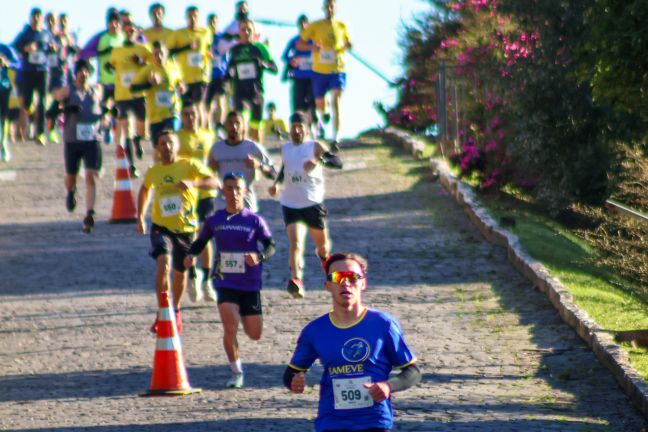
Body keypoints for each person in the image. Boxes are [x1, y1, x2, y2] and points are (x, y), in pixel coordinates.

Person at [284, 252, 421, 432]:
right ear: (328, 285)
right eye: (338, 277)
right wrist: (294, 381)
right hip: (331, 422)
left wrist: (388, 386)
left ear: (363, 283)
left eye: (352, 277)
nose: (345, 283)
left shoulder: (383, 324)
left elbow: (412, 372)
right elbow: (290, 374)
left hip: (374, 422)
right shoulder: (314, 331)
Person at [183, 172, 275, 389]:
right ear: (223, 192)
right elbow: (201, 241)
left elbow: (271, 246)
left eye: (237, 189)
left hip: (250, 283)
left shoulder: (254, 220)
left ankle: (244, 314)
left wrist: (259, 256)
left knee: (254, 333)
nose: (233, 193)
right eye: (229, 188)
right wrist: (190, 255)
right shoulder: (215, 220)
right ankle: (236, 372)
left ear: (244, 191)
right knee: (229, 325)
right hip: (225, 282)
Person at [136, 130, 219, 334]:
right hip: (160, 226)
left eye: (170, 143)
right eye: (163, 143)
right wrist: (140, 216)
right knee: (163, 265)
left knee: (179, 273)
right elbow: (145, 190)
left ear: (177, 146)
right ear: (157, 148)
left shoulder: (189, 165)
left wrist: (194, 183)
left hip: (185, 228)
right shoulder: (153, 171)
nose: (167, 147)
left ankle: (176, 309)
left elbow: (214, 182)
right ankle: (163, 310)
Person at [269, 112, 342, 299]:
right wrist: (277, 184)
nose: (296, 130)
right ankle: (297, 280)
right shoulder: (285, 148)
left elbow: (337, 162)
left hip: (312, 202)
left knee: (323, 247)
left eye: (300, 126)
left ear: (306, 128)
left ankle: (328, 270)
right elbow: (285, 169)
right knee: (296, 244)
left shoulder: (314, 146)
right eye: (293, 126)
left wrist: (319, 160)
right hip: (290, 203)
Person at [53, 59, 105, 233]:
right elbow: (57, 97)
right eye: (81, 72)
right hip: (73, 140)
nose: (84, 75)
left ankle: (90, 212)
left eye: (87, 72)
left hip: (92, 139)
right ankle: (71, 191)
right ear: (76, 74)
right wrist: (66, 105)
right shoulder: (70, 90)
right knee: (71, 177)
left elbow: (104, 105)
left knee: (91, 175)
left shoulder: (96, 90)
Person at [177, 103, 218, 303]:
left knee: (206, 234)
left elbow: (214, 161)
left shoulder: (208, 135)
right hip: (186, 195)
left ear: (199, 115)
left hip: (205, 192)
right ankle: (193, 275)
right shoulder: (177, 138)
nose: (190, 117)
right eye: (186, 114)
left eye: (193, 113)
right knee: (190, 236)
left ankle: (207, 280)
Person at [298, 0, 352, 150]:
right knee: (320, 104)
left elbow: (348, 42)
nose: (330, 8)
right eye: (327, 6)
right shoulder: (315, 26)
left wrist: (349, 44)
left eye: (332, 6)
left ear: (336, 8)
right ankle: (324, 112)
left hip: (338, 69)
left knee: (337, 101)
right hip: (319, 71)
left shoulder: (342, 25)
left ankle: (336, 137)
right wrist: (312, 47)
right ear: (323, 8)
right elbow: (300, 44)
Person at [208, 110, 276, 213]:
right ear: (225, 126)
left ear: (244, 126)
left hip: (246, 202)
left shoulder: (253, 147)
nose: (234, 127)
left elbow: (273, 173)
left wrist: (259, 165)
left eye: (237, 123)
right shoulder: (216, 149)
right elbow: (207, 173)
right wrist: (211, 169)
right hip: (222, 202)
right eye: (230, 123)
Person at [108, 21, 152, 177]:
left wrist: (140, 62)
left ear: (137, 32)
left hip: (139, 95)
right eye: (126, 30)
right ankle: (131, 165)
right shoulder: (116, 51)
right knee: (126, 130)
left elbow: (153, 64)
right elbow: (111, 66)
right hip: (122, 95)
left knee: (141, 128)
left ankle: (138, 141)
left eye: (132, 30)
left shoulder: (143, 49)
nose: (129, 33)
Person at [227, 19, 278, 143]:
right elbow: (228, 70)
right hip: (239, 90)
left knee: (255, 126)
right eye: (243, 30)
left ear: (254, 32)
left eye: (249, 29)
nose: (246, 32)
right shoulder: (234, 50)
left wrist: (263, 64)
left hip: (256, 91)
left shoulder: (260, 48)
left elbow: (275, 68)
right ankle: (241, 150)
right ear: (239, 32)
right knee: (240, 123)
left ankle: (257, 151)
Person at [13, 7, 55, 146]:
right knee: (27, 103)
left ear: (42, 19)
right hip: (28, 71)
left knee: (42, 101)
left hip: (43, 71)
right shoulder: (25, 34)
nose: (36, 19)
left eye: (39, 16)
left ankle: (41, 133)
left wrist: (53, 48)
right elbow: (14, 46)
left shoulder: (46, 33)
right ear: (31, 18)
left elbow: (53, 47)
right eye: (34, 16)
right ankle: (30, 108)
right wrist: (25, 49)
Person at [131, 41, 183, 149]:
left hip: (171, 112)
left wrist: (181, 87)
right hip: (155, 116)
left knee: (171, 141)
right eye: (155, 54)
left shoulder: (174, 67)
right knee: (158, 149)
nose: (159, 57)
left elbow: (180, 83)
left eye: (161, 54)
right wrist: (149, 84)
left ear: (166, 54)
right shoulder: (147, 70)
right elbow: (133, 88)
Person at [167, 6, 211, 127]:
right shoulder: (178, 33)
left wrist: (209, 55)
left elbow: (208, 48)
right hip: (184, 76)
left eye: (195, 16)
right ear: (186, 17)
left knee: (198, 104)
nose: (193, 18)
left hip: (201, 75)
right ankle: (186, 131)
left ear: (199, 17)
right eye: (190, 16)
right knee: (185, 106)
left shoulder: (205, 32)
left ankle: (201, 130)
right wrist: (186, 47)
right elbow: (169, 52)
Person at [281, 15, 318, 136]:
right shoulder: (295, 40)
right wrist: (292, 60)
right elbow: (285, 56)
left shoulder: (315, 40)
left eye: (305, 24)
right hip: (298, 76)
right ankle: (299, 128)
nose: (303, 27)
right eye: (300, 24)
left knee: (313, 102)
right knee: (298, 103)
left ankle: (314, 126)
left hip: (313, 77)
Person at [205, 13, 228, 132]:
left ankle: (220, 125)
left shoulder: (222, 37)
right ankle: (208, 125)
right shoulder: (205, 37)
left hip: (220, 73)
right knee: (207, 103)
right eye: (210, 22)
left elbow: (227, 53)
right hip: (208, 74)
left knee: (220, 99)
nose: (212, 24)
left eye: (214, 21)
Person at [0, 44, 20, 161]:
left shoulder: (5, 48)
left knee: (4, 118)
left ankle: (3, 144)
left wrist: (7, 64)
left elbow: (19, 63)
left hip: (4, 88)